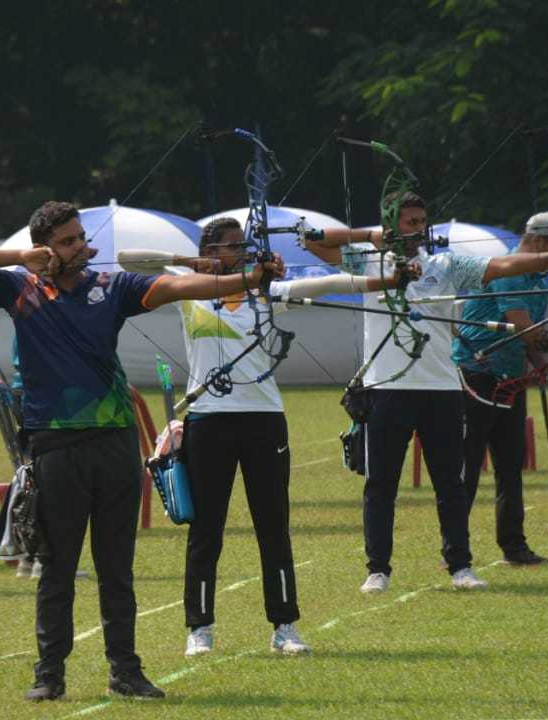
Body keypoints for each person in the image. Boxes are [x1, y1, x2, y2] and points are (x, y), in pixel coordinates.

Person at [0, 200, 284, 702]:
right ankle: (49, 674)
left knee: (116, 568)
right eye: (68, 242)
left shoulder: (112, 287)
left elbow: (176, 287)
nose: (81, 247)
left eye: (81, 238)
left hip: (115, 444)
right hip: (55, 446)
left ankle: (125, 670)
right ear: (44, 249)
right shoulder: (19, 289)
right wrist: (22, 257)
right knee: (58, 569)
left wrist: (248, 280)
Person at [130, 217, 409, 657]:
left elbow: (325, 283)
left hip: (263, 420)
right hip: (208, 420)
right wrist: (196, 262)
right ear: (209, 251)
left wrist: (389, 279)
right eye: (230, 246)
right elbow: (136, 263)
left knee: (273, 527)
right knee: (207, 529)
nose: (241, 252)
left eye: (244, 245)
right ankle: (199, 628)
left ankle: (285, 626)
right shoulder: (187, 289)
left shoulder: (265, 291)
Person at [303, 192, 548, 593]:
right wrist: (371, 234)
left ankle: (460, 566)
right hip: (388, 389)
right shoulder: (368, 262)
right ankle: (378, 569)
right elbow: (312, 240)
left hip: (441, 388)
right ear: (391, 224)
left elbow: (505, 264)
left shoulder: (446, 264)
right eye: (409, 222)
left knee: (450, 483)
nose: (418, 228)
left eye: (422, 221)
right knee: (381, 482)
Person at [452, 212, 548, 565]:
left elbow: (532, 340)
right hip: (476, 376)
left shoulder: (538, 278)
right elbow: (521, 327)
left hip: (511, 378)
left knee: (510, 465)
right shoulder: (510, 269)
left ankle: (514, 547)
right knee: (469, 467)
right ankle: (456, 552)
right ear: (536, 241)